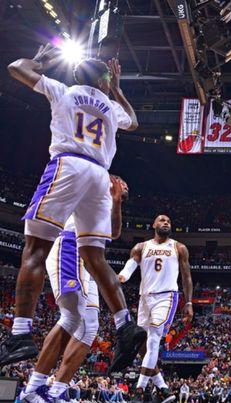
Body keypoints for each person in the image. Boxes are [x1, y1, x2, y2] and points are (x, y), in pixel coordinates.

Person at [2, 44, 145, 371]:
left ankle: (21, 332)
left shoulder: (64, 91)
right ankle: (124, 324)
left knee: (35, 249)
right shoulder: (111, 107)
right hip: (99, 176)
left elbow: (15, 67)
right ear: (104, 81)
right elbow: (134, 122)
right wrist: (118, 90)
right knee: (95, 257)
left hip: (69, 166)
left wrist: (39, 61)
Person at [18, 176, 128, 402]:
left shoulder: (109, 201)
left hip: (89, 262)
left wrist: (117, 201)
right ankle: (32, 389)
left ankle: (56, 391)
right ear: (112, 179)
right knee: (72, 314)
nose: (125, 186)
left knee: (90, 327)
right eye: (122, 181)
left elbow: (114, 232)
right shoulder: (93, 182)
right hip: (70, 245)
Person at [118, 215, 193, 400]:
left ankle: (140, 389)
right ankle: (162, 387)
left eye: (168, 221)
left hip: (166, 297)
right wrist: (122, 276)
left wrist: (189, 302)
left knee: (153, 341)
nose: (166, 222)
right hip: (145, 298)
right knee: (141, 344)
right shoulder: (141, 247)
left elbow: (186, 277)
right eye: (162, 220)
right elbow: (130, 265)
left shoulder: (179, 247)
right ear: (153, 225)